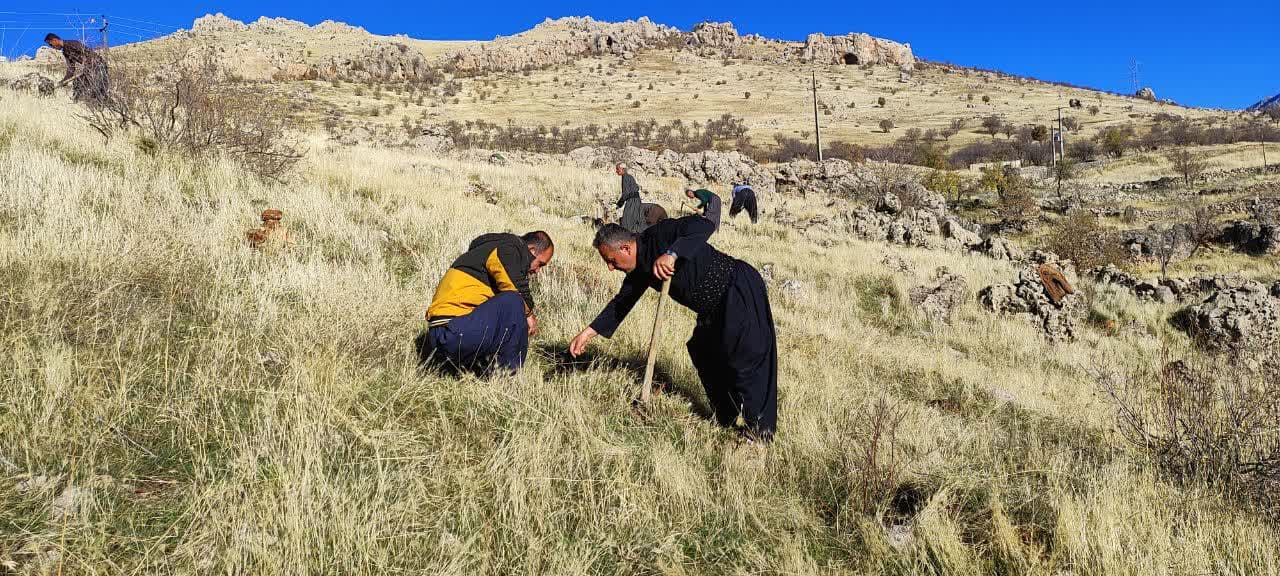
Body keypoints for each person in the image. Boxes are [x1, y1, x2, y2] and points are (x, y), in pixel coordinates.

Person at [569, 218, 778, 441]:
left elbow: (704, 225)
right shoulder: (639, 271)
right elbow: (622, 303)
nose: (610, 268)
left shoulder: (660, 235)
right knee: (703, 351)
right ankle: (726, 415)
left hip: (736, 287)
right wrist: (588, 333)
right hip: (711, 307)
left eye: (611, 261)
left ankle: (759, 432)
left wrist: (672, 254)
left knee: (747, 354)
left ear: (626, 248)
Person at [422, 231, 554, 374]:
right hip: (449, 331)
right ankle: (507, 374)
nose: (538, 271)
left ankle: (488, 368)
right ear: (531, 251)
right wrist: (529, 315)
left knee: (509, 307)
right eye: (540, 264)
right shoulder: (507, 249)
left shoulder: (489, 251)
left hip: (451, 330)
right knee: (514, 301)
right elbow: (515, 288)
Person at [44, 33, 109, 106]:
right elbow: (71, 69)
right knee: (78, 82)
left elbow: (89, 53)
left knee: (98, 89)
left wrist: (89, 65)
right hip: (89, 69)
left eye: (51, 44)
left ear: (54, 40)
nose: (52, 47)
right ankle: (77, 104)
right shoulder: (65, 52)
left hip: (99, 66)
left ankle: (108, 106)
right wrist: (64, 81)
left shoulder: (73, 43)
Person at [615, 163, 645, 233]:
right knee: (637, 220)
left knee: (626, 222)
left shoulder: (625, 177)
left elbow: (626, 193)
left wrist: (619, 204)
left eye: (617, 169)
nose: (616, 171)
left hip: (632, 201)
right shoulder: (629, 177)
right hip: (637, 200)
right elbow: (636, 187)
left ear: (623, 169)